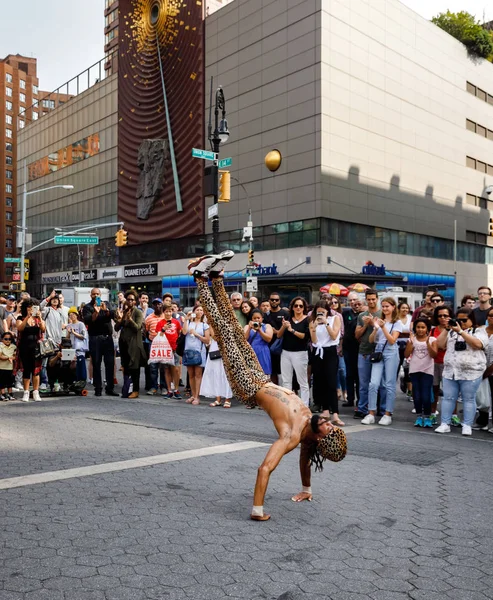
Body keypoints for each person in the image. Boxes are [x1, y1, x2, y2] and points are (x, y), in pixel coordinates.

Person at [188, 251, 347, 521]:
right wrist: (306, 488)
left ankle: (200, 278)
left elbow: (265, 469)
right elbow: (305, 461)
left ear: (321, 438)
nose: (329, 423)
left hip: (248, 385)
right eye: (330, 426)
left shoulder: (292, 436)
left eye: (328, 429)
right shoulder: (310, 425)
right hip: (260, 377)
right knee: (234, 329)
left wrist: (258, 510)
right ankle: (215, 278)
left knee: (225, 330)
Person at [435, 307, 488, 436]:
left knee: (468, 399)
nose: (461, 322)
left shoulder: (479, 331)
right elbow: (440, 344)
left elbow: (478, 344)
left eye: (464, 320)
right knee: (448, 398)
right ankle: (445, 424)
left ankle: (467, 425)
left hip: (471, 372)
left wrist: (461, 332)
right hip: (451, 371)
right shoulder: (451, 332)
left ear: (472, 320)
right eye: (459, 319)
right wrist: (447, 329)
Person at [362, 297, 402, 426]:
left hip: (391, 351)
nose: (385, 309)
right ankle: (371, 413)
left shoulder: (397, 323)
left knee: (389, 384)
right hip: (379, 351)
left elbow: (392, 340)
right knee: (373, 383)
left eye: (387, 306)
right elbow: (371, 340)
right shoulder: (380, 321)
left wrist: (383, 327)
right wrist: (375, 328)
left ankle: (387, 413)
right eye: (383, 306)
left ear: (393, 307)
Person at [309, 300, 343, 424]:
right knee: (320, 381)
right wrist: (314, 328)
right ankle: (325, 409)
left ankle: (335, 413)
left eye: (322, 312)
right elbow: (313, 340)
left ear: (327, 311)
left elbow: (334, 336)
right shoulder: (313, 322)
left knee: (331, 382)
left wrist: (326, 323)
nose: (320, 315)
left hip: (330, 351)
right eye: (318, 312)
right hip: (318, 352)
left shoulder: (335, 318)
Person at [82, 288, 118, 397]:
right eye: (94, 294)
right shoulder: (87, 307)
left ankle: (110, 388)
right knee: (96, 363)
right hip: (95, 338)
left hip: (107, 338)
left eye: (97, 294)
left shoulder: (106, 304)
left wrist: (105, 310)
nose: (96, 296)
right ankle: (98, 388)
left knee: (110, 363)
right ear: (90, 295)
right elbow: (88, 321)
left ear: (100, 294)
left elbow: (113, 315)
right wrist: (96, 313)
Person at [277, 297, 310, 406]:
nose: (298, 308)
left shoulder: (307, 320)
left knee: (302, 382)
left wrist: (292, 330)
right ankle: (288, 405)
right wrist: (284, 326)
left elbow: (305, 337)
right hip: (286, 352)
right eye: (296, 306)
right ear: (292, 307)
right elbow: (278, 335)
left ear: (304, 307)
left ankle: (305, 405)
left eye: (301, 306)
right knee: (286, 381)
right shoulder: (288, 318)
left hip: (300, 353)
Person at [404, 318, 437, 427]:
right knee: (417, 395)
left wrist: (428, 344)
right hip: (414, 370)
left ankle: (427, 417)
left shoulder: (432, 340)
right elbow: (406, 354)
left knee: (426, 395)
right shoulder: (412, 340)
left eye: (423, 327)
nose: (420, 330)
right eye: (418, 327)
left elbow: (434, 355)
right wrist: (411, 342)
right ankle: (419, 417)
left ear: (427, 328)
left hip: (427, 371)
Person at [114, 291, 147, 399]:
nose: (130, 301)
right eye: (128, 299)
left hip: (134, 344)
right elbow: (116, 328)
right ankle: (127, 388)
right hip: (124, 343)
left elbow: (137, 327)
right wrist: (123, 318)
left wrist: (130, 319)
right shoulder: (124, 311)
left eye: (132, 299)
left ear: (135, 301)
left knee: (135, 368)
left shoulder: (137, 312)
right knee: (126, 367)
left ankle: (136, 390)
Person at [355, 289, 382, 417]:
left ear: (377, 299)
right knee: (364, 383)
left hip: (379, 351)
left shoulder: (383, 313)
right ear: (366, 299)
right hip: (364, 351)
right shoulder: (361, 315)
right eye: (369, 299)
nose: (371, 301)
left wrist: (374, 323)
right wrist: (366, 325)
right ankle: (362, 408)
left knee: (380, 383)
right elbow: (357, 335)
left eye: (373, 299)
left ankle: (381, 409)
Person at [15, 299, 46, 402]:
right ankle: (26, 392)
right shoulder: (21, 318)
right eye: (29, 307)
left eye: (33, 307)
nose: (31, 309)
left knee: (36, 370)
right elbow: (20, 328)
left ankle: (36, 392)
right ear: (25, 308)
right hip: (24, 347)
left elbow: (43, 329)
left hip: (36, 348)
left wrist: (40, 317)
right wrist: (27, 317)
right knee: (26, 370)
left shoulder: (38, 319)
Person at [181, 306, 210, 405]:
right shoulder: (189, 323)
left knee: (198, 374)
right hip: (188, 350)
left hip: (199, 351)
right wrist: (186, 319)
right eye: (197, 310)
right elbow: (184, 332)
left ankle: (197, 396)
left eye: (201, 310)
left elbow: (207, 340)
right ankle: (193, 395)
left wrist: (196, 334)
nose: (199, 312)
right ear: (193, 311)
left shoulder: (204, 325)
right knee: (191, 374)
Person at [431, 305, 454, 425]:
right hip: (435, 363)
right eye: (440, 316)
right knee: (434, 390)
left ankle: (453, 415)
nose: (443, 318)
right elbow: (438, 345)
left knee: (450, 392)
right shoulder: (433, 330)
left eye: (445, 315)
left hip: (450, 364)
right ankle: (433, 413)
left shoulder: (455, 328)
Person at [154, 305, 183, 399]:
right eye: (166, 311)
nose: (168, 313)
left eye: (170, 311)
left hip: (175, 348)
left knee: (176, 369)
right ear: (163, 312)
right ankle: (169, 390)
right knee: (166, 370)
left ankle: (176, 389)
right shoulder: (160, 323)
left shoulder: (176, 322)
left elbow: (180, 332)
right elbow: (158, 335)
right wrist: (164, 329)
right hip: (164, 349)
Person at [201, 327, 233, 408]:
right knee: (216, 373)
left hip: (227, 347)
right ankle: (218, 398)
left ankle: (227, 399)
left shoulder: (228, 322)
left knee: (226, 374)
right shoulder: (212, 323)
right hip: (215, 348)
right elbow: (215, 336)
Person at [474, 306, 493, 432]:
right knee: (482, 397)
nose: (492, 317)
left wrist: (488, 371)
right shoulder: (479, 331)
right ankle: (482, 421)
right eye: (490, 315)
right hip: (478, 367)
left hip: (491, 369)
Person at [264, 293, 289, 386]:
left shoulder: (285, 314)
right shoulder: (266, 315)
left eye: (276, 300)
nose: (274, 301)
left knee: (283, 371)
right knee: (273, 371)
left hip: (283, 345)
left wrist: (277, 331)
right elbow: (265, 329)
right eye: (272, 299)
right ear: (269, 300)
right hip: (270, 346)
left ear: (279, 301)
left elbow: (287, 329)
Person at [342, 294, 363, 408]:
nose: (355, 303)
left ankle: (360, 399)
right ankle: (350, 399)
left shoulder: (364, 315)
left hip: (360, 348)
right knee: (349, 374)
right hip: (347, 347)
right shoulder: (345, 313)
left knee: (359, 375)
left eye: (357, 301)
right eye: (352, 301)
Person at [244, 309, 273, 377]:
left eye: (258, 318)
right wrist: (249, 329)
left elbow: (268, 339)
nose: (256, 320)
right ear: (251, 319)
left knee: (265, 375)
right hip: (250, 353)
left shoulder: (267, 326)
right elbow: (244, 339)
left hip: (263, 353)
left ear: (262, 319)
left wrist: (259, 330)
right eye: (254, 318)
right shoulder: (247, 326)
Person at [145, 298, 165, 395]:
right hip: (152, 344)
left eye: (159, 304)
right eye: (155, 304)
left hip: (164, 344)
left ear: (162, 305)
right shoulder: (149, 318)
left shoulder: (166, 316)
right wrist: (150, 339)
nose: (157, 306)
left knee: (163, 366)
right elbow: (145, 331)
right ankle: (153, 387)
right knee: (153, 366)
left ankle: (163, 387)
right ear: (153, 306)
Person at [66, 306, 88, 382]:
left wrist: (74, 332)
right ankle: (73, 382)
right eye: (70, 315)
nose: (71, 316)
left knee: (81, 366)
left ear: (76, 315)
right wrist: (69, 332)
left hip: (80, 349)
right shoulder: (69, 325)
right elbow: (67, 339)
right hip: (72, 349)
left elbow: (83, 336)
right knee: (72, 367)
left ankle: (82, 381)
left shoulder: (81, 324)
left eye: (73, 314)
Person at [396, 302, 412, 397]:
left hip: (408, 346)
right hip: (396, 346)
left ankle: (410, 392)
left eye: (406, 308)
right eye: (403, 308)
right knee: (396, 368)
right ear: (399, 309)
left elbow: (412, 332)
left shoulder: (411, 319)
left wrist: (401, 333)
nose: (405, 310)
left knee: (408, 369)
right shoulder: (396, 318)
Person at [0, 332, 16, 401]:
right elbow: (0, 356)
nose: (8, 341)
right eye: (6, 339)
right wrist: (9, 357)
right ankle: (2, 394)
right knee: (2, 381)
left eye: (9, 339)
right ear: (2, 339)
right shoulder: (0, 346)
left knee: (10, 381)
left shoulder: (13, 346)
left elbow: (15, 356)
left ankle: (10, 393)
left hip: (10, 367)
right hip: (1, 367)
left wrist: (12, 358)